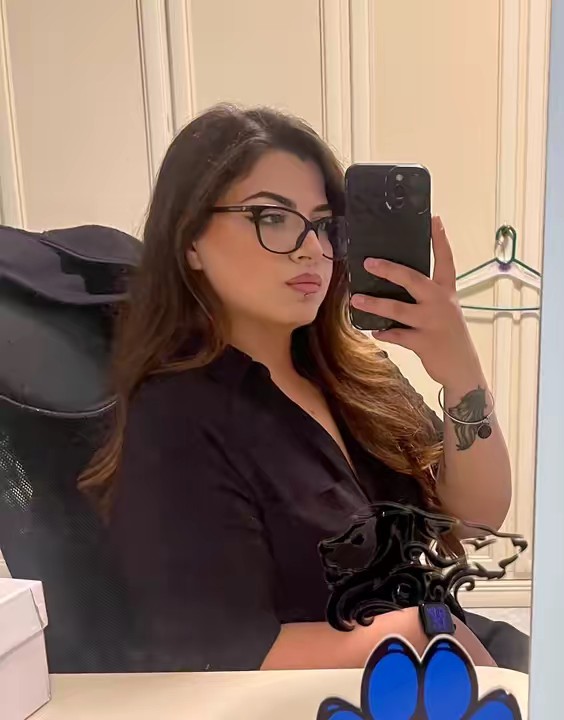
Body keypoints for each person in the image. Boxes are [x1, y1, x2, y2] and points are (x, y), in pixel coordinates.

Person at [79, 104, 515, 672]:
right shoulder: (177, 419)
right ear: (190, 242)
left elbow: (474, 519)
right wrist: (424, 630)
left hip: (444, 643)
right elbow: (225, 653)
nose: (312, 248)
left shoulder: (356, 372)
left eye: (325, 224)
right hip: (358, 682)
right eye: (272, 218)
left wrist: (461, 374)